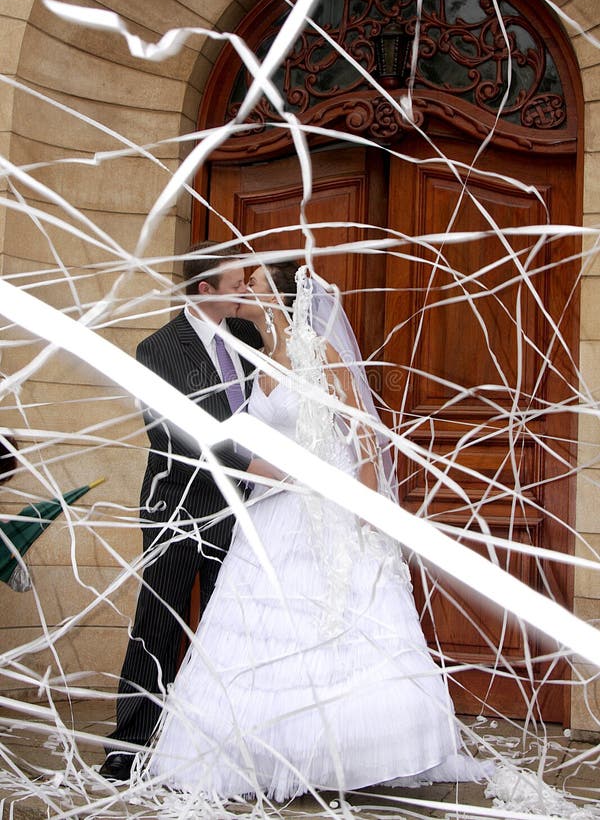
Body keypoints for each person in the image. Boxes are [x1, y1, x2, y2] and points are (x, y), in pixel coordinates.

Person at [141, 261, 493, 800]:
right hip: (269, 509)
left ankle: (353, 755)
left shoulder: (317, 352)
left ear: (281, 297)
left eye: (252, 284)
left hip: (324, 509)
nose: (243, 291)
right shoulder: (251, 353)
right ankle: (258, 752)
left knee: (333, 627)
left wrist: (367, 505)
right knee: (254, 630)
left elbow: (363, 432)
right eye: (240, 283)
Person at [100, 242, 263, 781]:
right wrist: (268, 465)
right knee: (159, 621)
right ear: (205, 290)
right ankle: (129, 742)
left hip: (243, 513)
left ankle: (209, 740)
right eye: (238, 281)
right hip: (179, 507)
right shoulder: (158, 350)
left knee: (225, 628)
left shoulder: (247, 337)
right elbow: (188, 434)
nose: (246, 288)